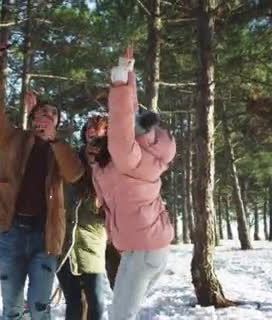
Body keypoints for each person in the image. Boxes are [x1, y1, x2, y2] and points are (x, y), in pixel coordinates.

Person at [0, 45, 85, 320]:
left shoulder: (61, 149)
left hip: (45, 237)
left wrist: (54, 141)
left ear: (57, 123)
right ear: (32, 117)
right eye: (43, 112)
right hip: (10, 235)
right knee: (12, 310)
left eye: (53, 114)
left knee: (40, 308)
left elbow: (75, 174)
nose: (47, 116)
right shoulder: (11, 138)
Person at [89, 46, 176, 320]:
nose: (118, 124)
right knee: (122, 312)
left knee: (120, 316)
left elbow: (125, 115)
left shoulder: (132, 156)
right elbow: (130, 110)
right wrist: (126, 69)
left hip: (144, 248)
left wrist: (121, 79)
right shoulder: (136, 154)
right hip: (138, 247)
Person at [57, 115, 109, 320]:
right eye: (88, 128)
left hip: (93, 238)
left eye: (98, 128)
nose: (92, 131)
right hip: (65, 239)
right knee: (74, 301)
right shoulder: (72, 158)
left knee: (96, 299)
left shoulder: (111, 164)